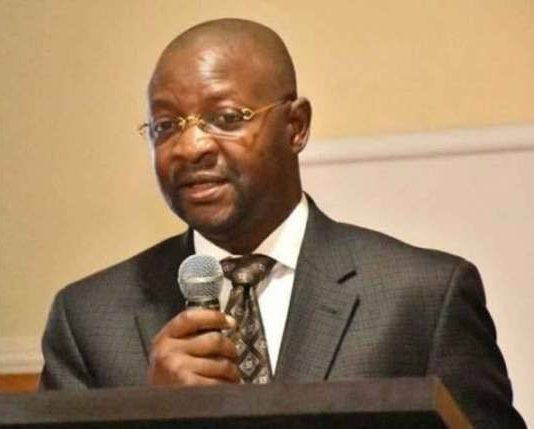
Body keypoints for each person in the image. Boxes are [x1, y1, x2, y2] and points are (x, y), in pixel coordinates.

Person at [40, 18, 525, 427]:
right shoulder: (89, 319)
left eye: (226, 118)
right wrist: (152, 417)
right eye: (166, 126)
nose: (191, 147)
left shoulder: (423, 297)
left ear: (296, 127)